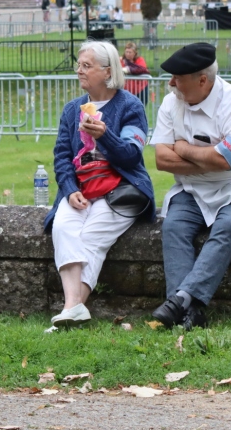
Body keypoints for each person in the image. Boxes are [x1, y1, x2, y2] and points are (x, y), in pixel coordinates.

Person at [148, 42, 231, 330]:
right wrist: (210, 159)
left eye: (177, 78)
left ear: (202, 80)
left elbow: (227, 160)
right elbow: (162, 159)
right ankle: (188, 311)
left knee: (227, 227)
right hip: (192, 190)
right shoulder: (171, 103)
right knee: (173, 227)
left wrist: (183, 149)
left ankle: (180, 301)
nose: (171, 83)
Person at [45, 41, 154, 329]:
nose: (79, 71)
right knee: (62, 227)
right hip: (81, 188)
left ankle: (69, 310)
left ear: (107, 72)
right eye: (78, 65)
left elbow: (131, 156)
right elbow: (62, 157)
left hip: (120, 190)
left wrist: (105, 135)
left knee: (91, 236)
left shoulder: (131, 106)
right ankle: (74, 309)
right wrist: (70, 190)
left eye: (86, 66)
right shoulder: (72, 110)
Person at [121, 42, 150, 106]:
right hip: (126, 91)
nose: (128, 54)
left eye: (130, 52)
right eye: (126, 52)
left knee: (140, 107)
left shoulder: (140, 60)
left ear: (135, 53)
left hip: (140, 89)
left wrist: (128, 69)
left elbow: (142, 69)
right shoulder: (121, 61)